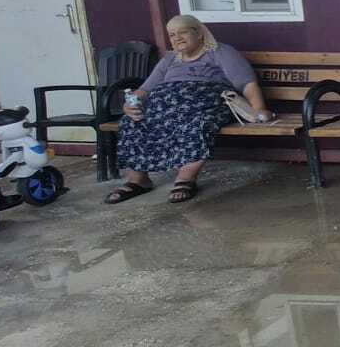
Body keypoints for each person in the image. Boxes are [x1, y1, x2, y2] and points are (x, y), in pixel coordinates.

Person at [107, 16, 272, 205]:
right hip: (164, 109)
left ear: (199, 33)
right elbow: (145, 89)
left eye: (183, 32)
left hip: (206, 105)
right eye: (172, 35)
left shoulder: (220, 52)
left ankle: (185, 179)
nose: (177, 38)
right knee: (131, 122)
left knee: (196, 123)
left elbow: (247, 83)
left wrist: (259, 109)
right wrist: (130, 103)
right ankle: (138, 180)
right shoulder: (170, 59)